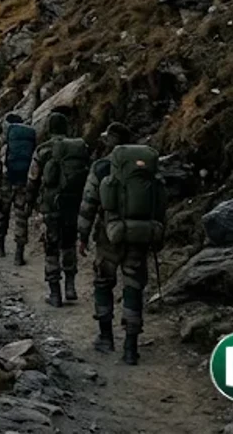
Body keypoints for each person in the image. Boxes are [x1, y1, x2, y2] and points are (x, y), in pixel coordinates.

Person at [78, 122, 167, 365]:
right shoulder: (147, 169)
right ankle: (131, 348)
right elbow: (159, 204)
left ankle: (106, 337)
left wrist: (83, 236)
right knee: (133, 286)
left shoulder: (100, 168)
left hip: (109, 236)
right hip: (139, 237)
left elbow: (88, 204)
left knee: (103, 282)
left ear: (109, 142)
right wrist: (157, 236)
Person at [19, 109, 89, 307]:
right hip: (73, 205)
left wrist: (29, 204)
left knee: (51, 247)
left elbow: (32, 180)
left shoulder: (43, 150)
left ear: (49, 129)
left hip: (50, 206)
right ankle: (70, 286)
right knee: (68, 243)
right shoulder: (79, 148)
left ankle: (55, 293)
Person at [0, 111, 36, 262]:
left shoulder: (1, 139)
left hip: (5, 182)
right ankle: (18, 254)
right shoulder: (30, 139)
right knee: (21, 218)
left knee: (2, 213)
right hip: (23, 183)